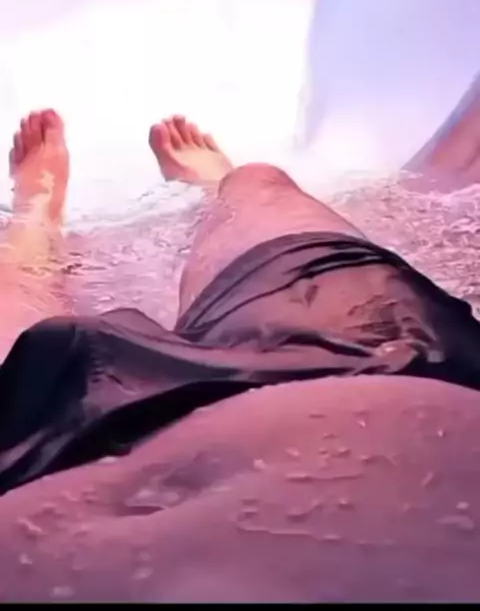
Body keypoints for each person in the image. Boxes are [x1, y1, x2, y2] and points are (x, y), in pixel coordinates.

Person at [1, 108, 480, 602]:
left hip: (22, 469)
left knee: (14, 317)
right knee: (261, 186)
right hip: (378, 368)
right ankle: (214, 189)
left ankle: (35, 215)